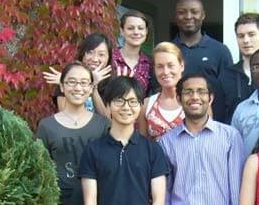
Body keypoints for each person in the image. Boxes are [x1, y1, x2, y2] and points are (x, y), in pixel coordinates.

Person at [78, 76, 169, 205]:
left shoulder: (152, 150)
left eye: (132, 101)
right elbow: (90, 201)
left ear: (140, 106)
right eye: (119, 100)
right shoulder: (93, 150)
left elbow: (158, 200)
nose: (126, 107)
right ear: (108, 106)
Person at [158, 74, 247, 205]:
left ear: (210, 98)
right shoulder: (166, 142)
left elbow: (236, 187)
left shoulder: (230, 137)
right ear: (178, 99)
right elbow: (165, 192)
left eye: (201, 91)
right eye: (188, 92)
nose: (195, 97)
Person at [35, 63, 110, 205]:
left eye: (84, 83)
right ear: (62, 86)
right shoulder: (47, 125)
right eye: (72, 82)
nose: (78, 88)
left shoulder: (102, 125)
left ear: (90, 88)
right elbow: (39, 170)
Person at [170, 0, 235, 122]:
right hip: (174, 126)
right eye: (182, 12)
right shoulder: (169, 51)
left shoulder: (220, 50)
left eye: (194, 12)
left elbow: (229, 94)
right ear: (176, 16)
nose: (188, 16)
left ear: (203, 15)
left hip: (214, 126)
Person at [44, 34, 114, 116]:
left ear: (109, 58)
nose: (95, 59)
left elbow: (107, 121)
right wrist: (67, 83)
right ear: (82, 54)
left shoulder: (113, 83)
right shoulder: (67, 78)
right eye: (90, 53)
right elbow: (65, 116)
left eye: (101, 54)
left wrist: (94, 87)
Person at [141, 42, 185, 140]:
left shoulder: (196, 102)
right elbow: (143, 146)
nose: (165, 72)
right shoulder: (147, 105)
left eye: (170, 65)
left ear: (181, 66)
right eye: (160, 66)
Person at [112, 10, 153, 94]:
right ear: (122, 31)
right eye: (130, 28)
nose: (136, 32)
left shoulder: (150, 63)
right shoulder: (109, 57)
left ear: (146, 32)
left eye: (140, 28)